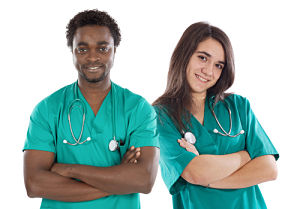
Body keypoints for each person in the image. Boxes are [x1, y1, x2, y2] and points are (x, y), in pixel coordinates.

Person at [23, 9, 159, 209]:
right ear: (72, 52)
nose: (92, 57)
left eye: (103, 48)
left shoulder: (137, 109)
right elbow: (34, 184)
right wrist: (120, 179)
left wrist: (70, 170)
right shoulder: (47, 109)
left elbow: (144, 180)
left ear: (115, 50)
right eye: (83, 49)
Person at [153, 22, 279, 209]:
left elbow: (269, 169)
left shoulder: (237, 106)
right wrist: (245, 156)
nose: (209, 71)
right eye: (203, 58)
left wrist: (210, 181)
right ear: (184, 55)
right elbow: (196, 173)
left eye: (218, 65)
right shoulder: (160, 116)